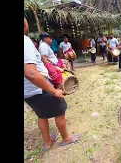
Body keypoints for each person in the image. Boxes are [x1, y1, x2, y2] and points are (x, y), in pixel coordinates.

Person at [24, 17, 80, 152]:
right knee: (60, 112)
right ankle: (66, 139)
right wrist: (54, 91)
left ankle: (48, 142)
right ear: (25, 24)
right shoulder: (25, 41)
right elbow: (31, 73)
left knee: (41, 115)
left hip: (27, 91)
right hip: (39, 88)